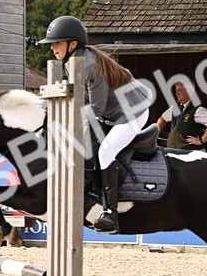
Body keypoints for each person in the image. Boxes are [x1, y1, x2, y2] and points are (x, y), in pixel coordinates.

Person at [38, 15, 150, 234]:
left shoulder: (90, 66)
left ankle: (111, 214)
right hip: (112, 113)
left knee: (105, 152)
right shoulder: (75, 62)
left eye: (56, 43)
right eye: (51, 43)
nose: (52, 48)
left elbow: (95, 110)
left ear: (73, 44)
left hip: (132, 114)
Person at [156, 81, 207, 151]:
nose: (176, 93)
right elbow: (162, 119)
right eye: (176, 91)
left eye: (179, 90)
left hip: (191, 154)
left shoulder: (198, 110)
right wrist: (154, 136)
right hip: (174, 152)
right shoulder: (175, 108)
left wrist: (201, 140)